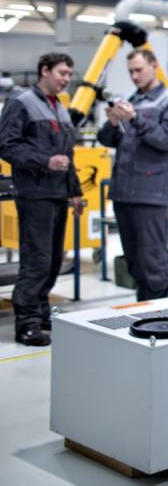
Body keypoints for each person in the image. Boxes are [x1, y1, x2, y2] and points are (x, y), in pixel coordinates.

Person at [0, 53, 85, 346]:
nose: (65, 79)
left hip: (58, 194)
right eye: (61, 73)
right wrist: (44, 161)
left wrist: (75, 192)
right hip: (34, 194)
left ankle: (41, 311)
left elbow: (68, 156)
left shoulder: (59, 108)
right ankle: (27, 323)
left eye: (68, 74)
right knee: (37, 260)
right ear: (44, 71)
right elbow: (7, 146)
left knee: (52, 261)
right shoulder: (21, 103)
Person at [97, 49, 168, 301]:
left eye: (139, 70)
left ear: (154, 66)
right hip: (123, 193)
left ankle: (161, 317)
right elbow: (107, 139)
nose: (134, 76)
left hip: (150, 194)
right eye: (131, 72)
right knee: (134, 262)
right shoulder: (131, 100)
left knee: (153, 263)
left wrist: (134, 118)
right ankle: (144, 312)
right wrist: (114, 122)